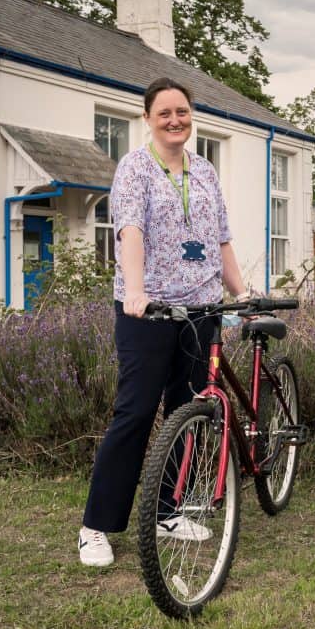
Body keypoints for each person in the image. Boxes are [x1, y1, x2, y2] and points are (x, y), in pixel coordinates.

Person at [78, 77, 250, 566]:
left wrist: (242, 294)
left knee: (187, 409)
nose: (175, 120)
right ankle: (96, 526)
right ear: (148, 118)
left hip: (201, 309)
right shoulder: (134, 169)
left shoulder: (206, 172)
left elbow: (221, 241)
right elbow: (130, 231)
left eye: (182, 111)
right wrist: (135, 290)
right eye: (164, 113)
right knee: (134, 412)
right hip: (148, 311)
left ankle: (167, 511)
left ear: (191, 115)